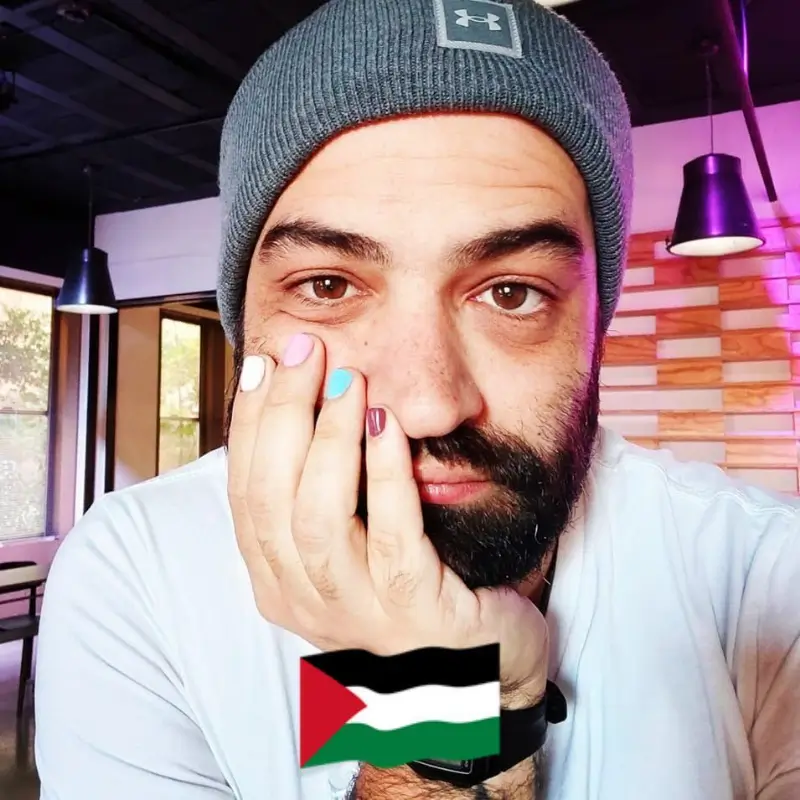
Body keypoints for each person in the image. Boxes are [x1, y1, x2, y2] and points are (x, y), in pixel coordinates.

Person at [34, 0, 800, 798]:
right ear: (245, 325)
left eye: (511, 293)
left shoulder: (771, 581)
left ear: (593, 328)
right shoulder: (137, 574)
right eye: (328, 286)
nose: (430, 404)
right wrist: (446, 697)